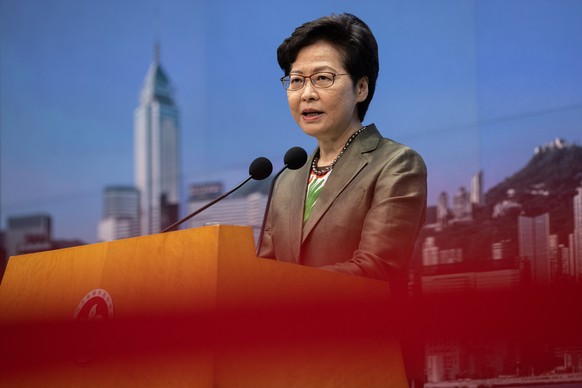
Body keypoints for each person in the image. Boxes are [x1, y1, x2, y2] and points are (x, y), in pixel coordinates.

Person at [258, 13, 427, 287]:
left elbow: (376, 269)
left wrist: (285, 286)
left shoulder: (397, 164)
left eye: (323, 78)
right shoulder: (287, 179)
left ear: (361, 88)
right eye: (296, 80)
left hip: (361, 327)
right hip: (287, 330)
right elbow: (264, 269)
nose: (306, 93)